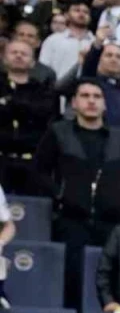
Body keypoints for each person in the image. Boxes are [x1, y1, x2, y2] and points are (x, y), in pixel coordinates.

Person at [35, 78, 120, 308]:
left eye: (97, 97)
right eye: (85, 96)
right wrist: (60, 194)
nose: (91, 101)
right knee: (71, 281)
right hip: (71, 220)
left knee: (113, 283)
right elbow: (40, 171)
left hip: (112, 223)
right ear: (74, 103)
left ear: (105, 104)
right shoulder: (59, 132)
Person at [0, 39, 59, 197]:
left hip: (31, 162)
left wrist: (9, 103)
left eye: (24, 54)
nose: (19, 56)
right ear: (4, 58)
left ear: (33, 62)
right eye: (14, 52)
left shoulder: (43, 91)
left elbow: (44, 116)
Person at [38, 0, 93, 81]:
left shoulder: (95, 42)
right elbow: (43, 68)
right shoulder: (53, 40)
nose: (81, 14)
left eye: (86, 12)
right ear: (66, 15)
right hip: (56, 86)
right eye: (77, 10)